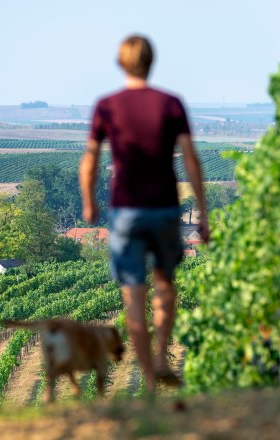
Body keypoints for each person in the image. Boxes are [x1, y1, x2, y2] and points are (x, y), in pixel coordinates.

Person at [79, 34, 209, 393]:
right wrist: (203, 212)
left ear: (121, 63)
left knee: (133, 294)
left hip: (125, 211)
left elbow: (90, 158)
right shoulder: (171, 104)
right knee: (165, 284)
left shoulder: (107, 105)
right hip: (165, 207)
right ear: (151, 61)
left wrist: (89, 202)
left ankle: (150, 381)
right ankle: (162, 357)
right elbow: (192, 160)